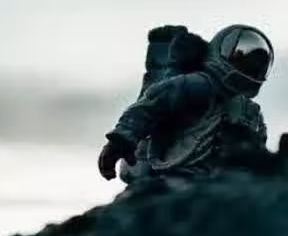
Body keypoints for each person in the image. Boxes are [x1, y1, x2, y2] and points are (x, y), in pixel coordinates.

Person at [97, 24, 274, 182]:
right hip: (171, 174)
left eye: (257, 65)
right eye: (246, 60)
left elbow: (259, 149)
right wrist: (119, 142)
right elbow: (151, 105)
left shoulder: (250, 110)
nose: (252, 66)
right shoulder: (200, 84)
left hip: (214, 182)